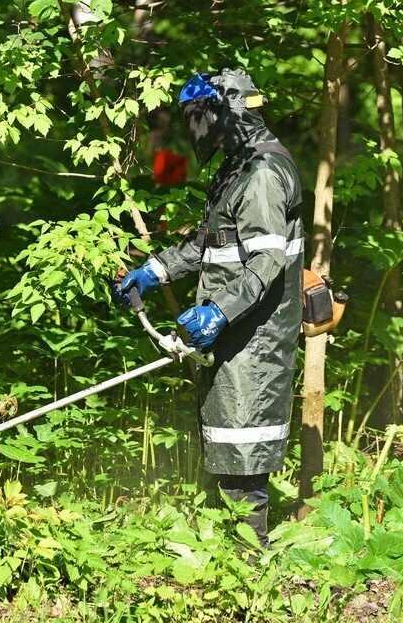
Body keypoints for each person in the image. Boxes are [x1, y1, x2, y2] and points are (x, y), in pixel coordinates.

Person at [115, 69, 304, 549]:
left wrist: (217, 311)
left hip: (254, 338)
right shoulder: (236, 169)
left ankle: (249, 574)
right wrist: (154, 270)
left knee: (244, 453)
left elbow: (267, 261)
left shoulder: (262, 174)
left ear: (230, 111)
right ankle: (230, 562)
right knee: (227, 448)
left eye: (201, 117)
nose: (196, 128)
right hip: (233, 334)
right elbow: (211, 245)